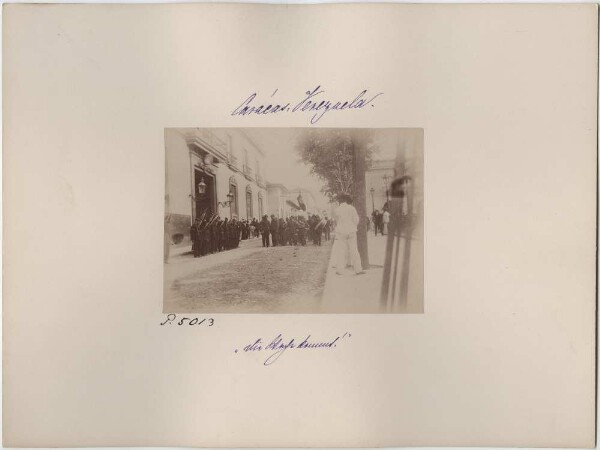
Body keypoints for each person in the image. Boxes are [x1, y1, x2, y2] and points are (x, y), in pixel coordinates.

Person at [333, 193, 365, 275]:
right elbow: (356, 219)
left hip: (341, 232)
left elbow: (336, 221)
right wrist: (353, 226)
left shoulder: (337, 210)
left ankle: (339, 270)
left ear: (339, 201)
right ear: (346, 200)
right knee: (354, 250)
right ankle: (358, 270)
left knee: (341, 250)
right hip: (351, 231)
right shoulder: (352, 208)